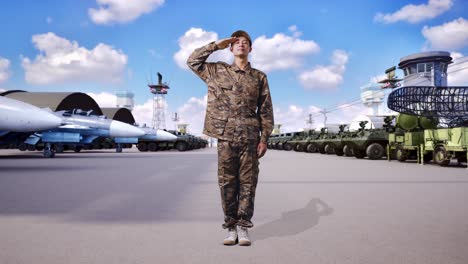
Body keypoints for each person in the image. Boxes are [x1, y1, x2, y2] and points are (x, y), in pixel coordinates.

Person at [187, 30, 274, 246]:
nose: (241, 45)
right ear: (231, 48)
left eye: (246, 42)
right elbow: (192, 60)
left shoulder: (259, 77)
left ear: (250, 49)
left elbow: (265, 110)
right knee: (227, 183)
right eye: (237, 42)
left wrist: (265, 139)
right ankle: (231, 227)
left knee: (248, 183)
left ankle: (243, 226)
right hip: (225, 136)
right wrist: (216, 45)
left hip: (250, 137)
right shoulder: (216, 71)